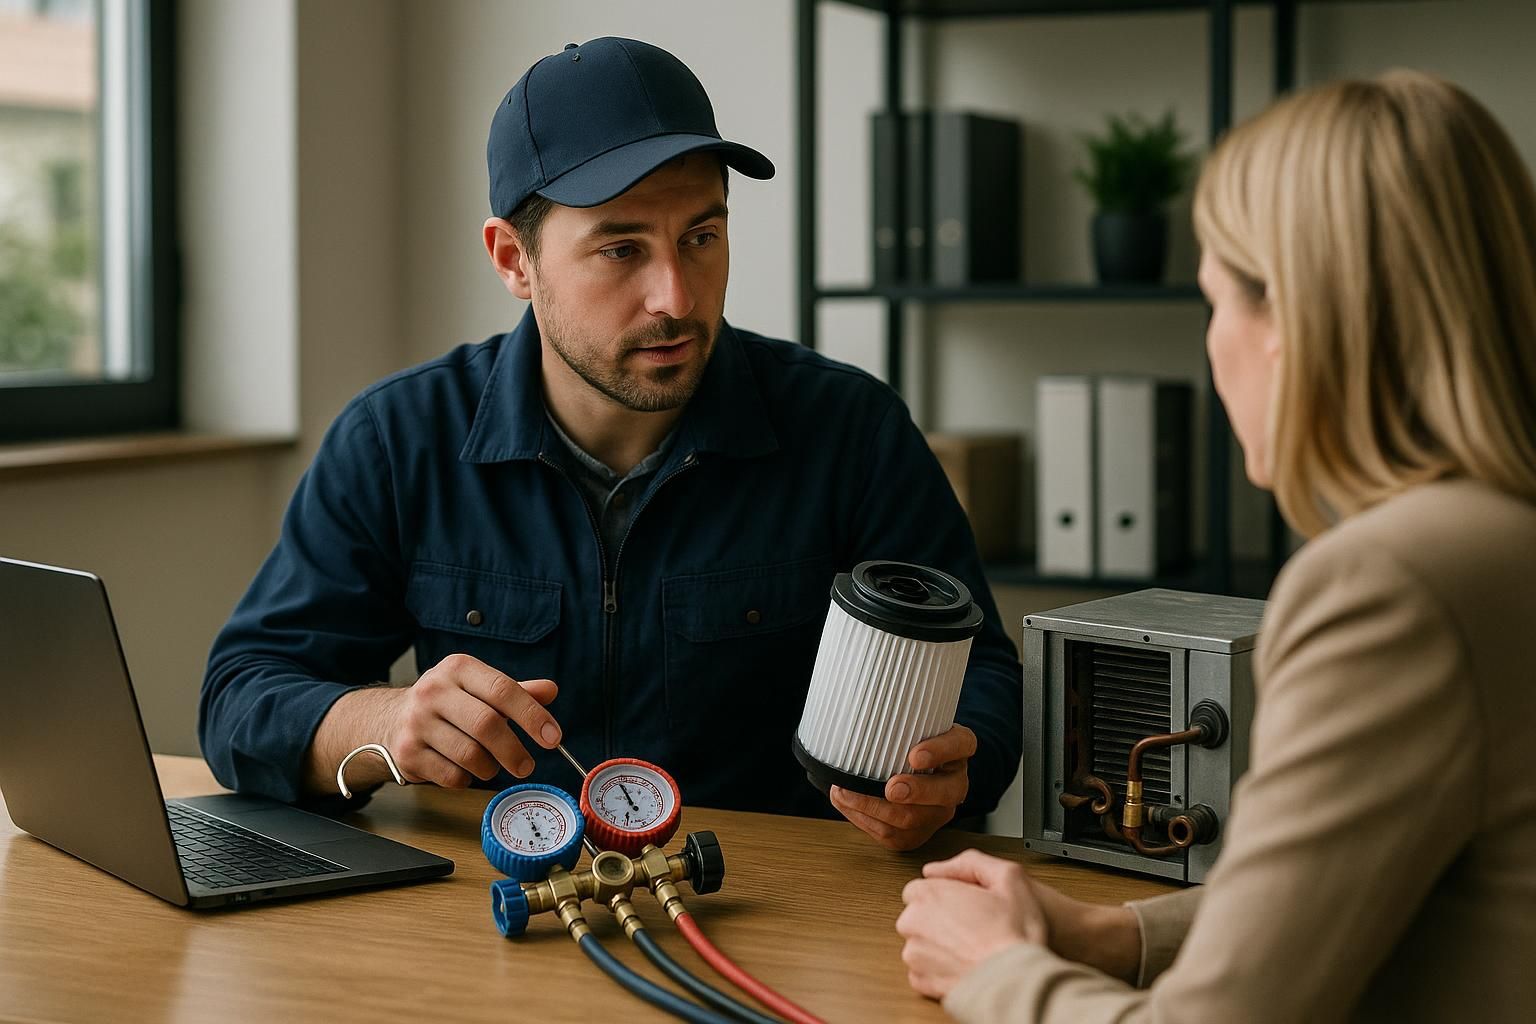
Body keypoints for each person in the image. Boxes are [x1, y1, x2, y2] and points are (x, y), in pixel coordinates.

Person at [198, 36, 1022, 850]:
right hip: (494, 913)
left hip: (779, 912)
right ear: (513, 259)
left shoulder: (851, 431)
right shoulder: (397, 440)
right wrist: (382, 723)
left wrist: (955, 769)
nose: (675, 295)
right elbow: (239, 699)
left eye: (701, 236)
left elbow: (981, 669)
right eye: (621, 249)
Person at [897, 70, 1536, 1019]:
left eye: (1215, 302)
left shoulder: (1392, 584)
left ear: (1294, 322)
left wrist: (995, 972)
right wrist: (1113, 935)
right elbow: (1377, 891)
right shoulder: (1495, 546)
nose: (1213, 345)